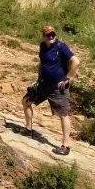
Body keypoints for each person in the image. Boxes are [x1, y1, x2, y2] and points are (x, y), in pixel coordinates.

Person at [23, 26, 80, 156]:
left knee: (63, 115)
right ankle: (28, 129)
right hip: (44, 84)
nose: (51, 37)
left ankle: (65, 146)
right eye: (48, 35)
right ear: (44, 36)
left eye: (53, 34)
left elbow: (76, 61)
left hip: (58, 87)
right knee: (26, 101)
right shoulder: (43, 46)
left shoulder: (61, 47)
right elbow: (42, 64)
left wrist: (68, 78)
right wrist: (38, 79)